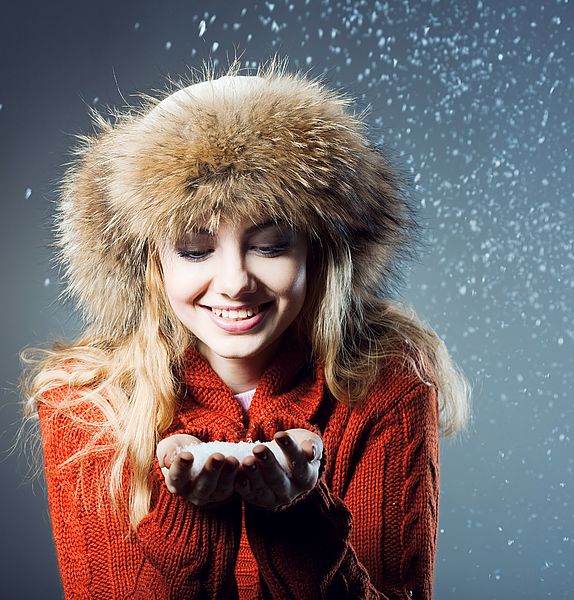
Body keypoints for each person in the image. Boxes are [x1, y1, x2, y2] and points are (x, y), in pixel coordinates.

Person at [20, 58, 469, 599]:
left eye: (271, 244)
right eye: (194, 249)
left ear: (317, 253)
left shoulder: (390, 387)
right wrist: (192, 525)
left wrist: (300, 524)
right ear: (153, 264)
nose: (233, 282)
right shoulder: (86, 402)